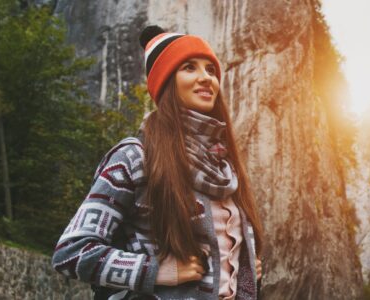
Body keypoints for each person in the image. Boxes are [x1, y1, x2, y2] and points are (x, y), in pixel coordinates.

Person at [52, 25, 264, 300]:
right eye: (189, 67)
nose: (206, 78)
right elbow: (71, 251)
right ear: (165, 82)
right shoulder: (136, 157)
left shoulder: (225, 169)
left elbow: (223, 256)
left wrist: (247, 267)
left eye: (210, 70)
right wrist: (153, 270)